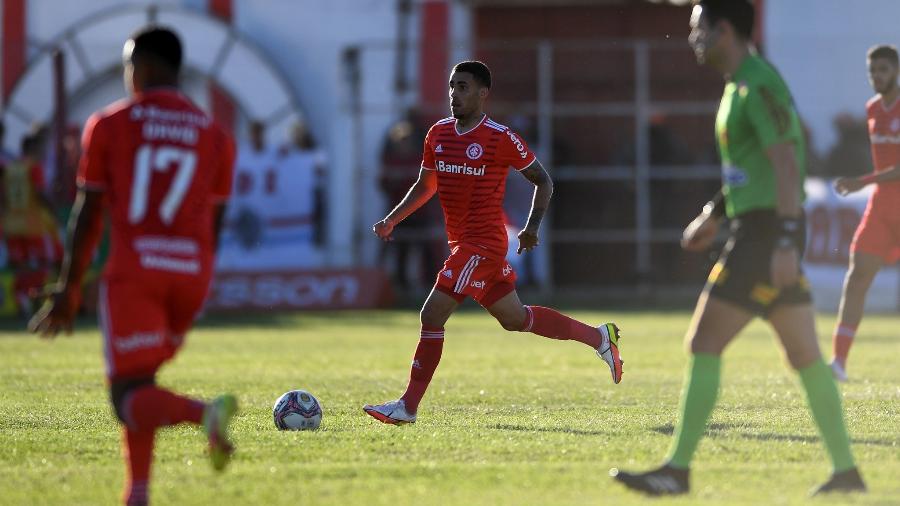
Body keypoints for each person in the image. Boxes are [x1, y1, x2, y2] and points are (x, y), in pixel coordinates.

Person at [611, 0, 864, 496]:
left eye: (697, 29)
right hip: (759, 227)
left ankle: (677, 471)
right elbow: (754, 172)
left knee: (703, 342)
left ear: (724, 30)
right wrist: (715, 214)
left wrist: (787, 241)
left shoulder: (757, 83)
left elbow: (788, 164)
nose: (691, 38)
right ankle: (846, 472)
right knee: (805, 356)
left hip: (766, 234)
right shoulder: (738, 85)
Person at [27, 26, 237, 506]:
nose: (127, 74)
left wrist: (69, 286)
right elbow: (216, 221)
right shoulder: (215, 135)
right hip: (191, 274)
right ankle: (136, 494)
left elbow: (88, 212)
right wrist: (193, 272)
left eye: (127, 64)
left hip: (137, 273)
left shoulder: (110, 123)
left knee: (127, 396)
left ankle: (205, 414)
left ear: (143, 66)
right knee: (141, 383)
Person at [362, 60, 624, 425]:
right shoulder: (437, 134)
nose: (455, 94)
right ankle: (599, 338)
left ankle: (408, 406)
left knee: (431, 313)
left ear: (483, 93)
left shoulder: (500, 138)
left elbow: (543, 181)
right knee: (516, 319)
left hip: (482, 245)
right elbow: (426, 186)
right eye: (452, 86)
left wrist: (532, 227)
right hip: (462, 245)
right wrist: (393, 219)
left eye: (463, 87)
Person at [829, 45, 900, 382]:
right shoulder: (872, 109)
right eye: (872, 71)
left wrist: (862, 182)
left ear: (896, 71)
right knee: (857, 277)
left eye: (883, 70)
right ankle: (839, 363)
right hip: (883, 206)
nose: (877, 77)